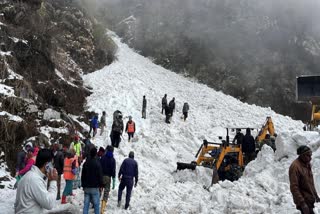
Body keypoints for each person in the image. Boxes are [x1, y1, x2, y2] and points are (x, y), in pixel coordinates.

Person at [14, 149, 58, 214]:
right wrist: (53, 181)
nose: (53, 167)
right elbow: (49, 204)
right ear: (47, 165)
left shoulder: (30, 175)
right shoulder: (35, 179)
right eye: (52, 164)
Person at [289, 145, 320, 214]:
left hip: (309, 198)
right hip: (303, 200)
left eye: (310, 155)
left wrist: (315, 195)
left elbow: (310, 182)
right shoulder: (295, 167)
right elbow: (294, 187)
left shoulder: (307, 163)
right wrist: (302, 203)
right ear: (302, 155)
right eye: (308, 155)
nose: (310, 158)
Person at [81, 147, 103, 214]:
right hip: (95, 187)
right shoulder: (97, 163)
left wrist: (83, 185)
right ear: (96, 153)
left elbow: (83, 175)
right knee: (96, 205)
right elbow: (100, 175)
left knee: (86, 205)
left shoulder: (86, 163)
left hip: (87, 187)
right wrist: (101, 185)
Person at [100, 145, 116, 213]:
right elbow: (113, 170)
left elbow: (99, 166)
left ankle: (95, 203)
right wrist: (114, 179)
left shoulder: (103, 157)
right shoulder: (113, 160)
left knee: (99, 190)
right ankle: (102, 209)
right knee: (106, 192)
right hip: (108, 178)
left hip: (101, 176)